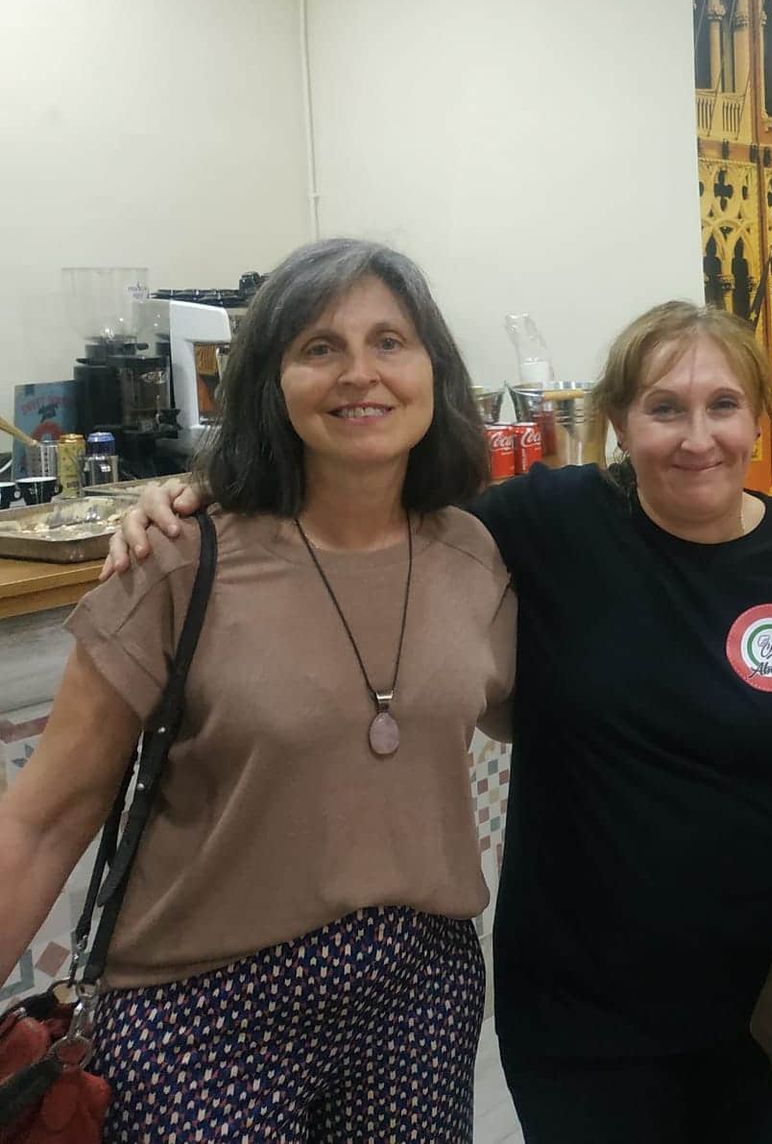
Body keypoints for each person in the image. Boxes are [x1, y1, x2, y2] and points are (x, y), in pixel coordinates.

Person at [111, 300, 772, 1144]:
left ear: (759, 419)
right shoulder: (547, 522)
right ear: (618, 420)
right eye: (664, 408)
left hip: (763, 991)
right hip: (582, 1002)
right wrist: (203, 493)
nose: (698, 438)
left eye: (723, 406)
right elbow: (369, 498)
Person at [4, 238, 515, 1142]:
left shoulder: (474, 558)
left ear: (435, 369)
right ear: (270, 383)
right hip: (202, 1006)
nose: (361, 373)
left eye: (391, 342)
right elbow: (41, 822)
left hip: (418, 994)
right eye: (319, 347)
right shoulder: (176, 560)